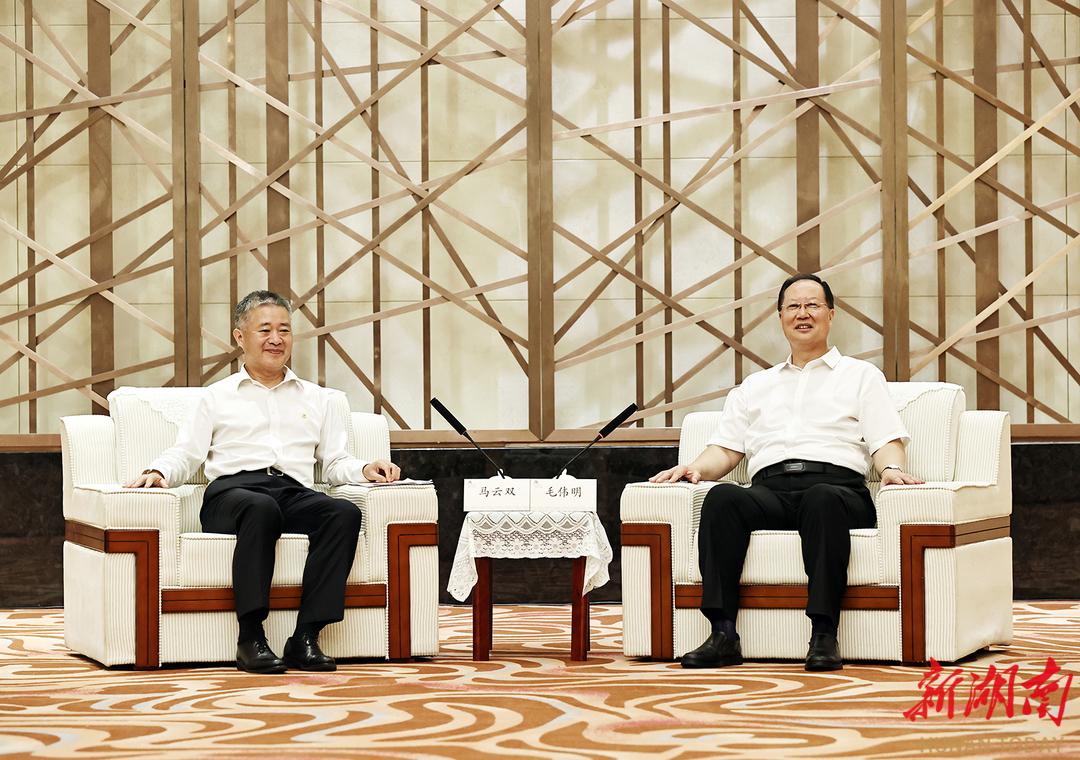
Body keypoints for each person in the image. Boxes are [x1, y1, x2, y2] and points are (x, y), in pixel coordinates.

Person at [650, 273, 922, 671]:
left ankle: (824, 634)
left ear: (831, 314)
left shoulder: (861, 376)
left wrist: (892, 469)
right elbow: (725, 449)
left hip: (837, 490)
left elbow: (886, 439)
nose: (802, 313)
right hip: (771, 490)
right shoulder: (755, 385)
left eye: (812, 305)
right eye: (793, 306)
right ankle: (723, 634)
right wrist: (694, 467)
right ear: (780, 317)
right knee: (723, 497)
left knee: (821, 498)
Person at [125, 290, 401, 674]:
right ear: (240, 337)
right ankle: (250, 637)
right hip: (231, 495)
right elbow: (186, 453)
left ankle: (305, 637)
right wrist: (159, 472)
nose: (276, 339)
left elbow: (334, 462)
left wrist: (365, 469)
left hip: (291, 491)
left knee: (342, 513)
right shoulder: (216, 397)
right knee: (261, 506)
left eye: (284, 330)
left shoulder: (318, 399)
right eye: (265, 330)